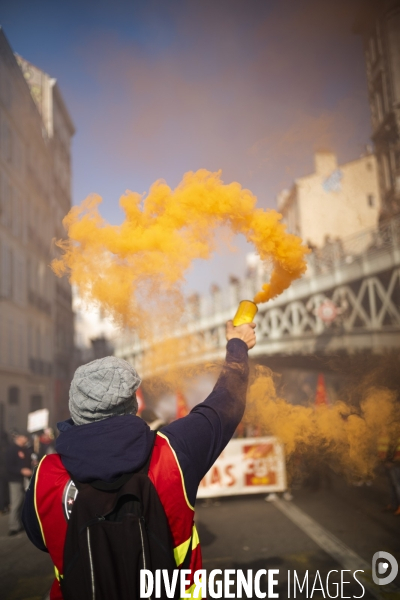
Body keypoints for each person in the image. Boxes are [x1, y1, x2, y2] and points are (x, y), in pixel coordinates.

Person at [22, 319, 256, 599]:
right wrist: (237, 345)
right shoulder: (173, 453)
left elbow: (39, 539)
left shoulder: (45, 476)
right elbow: (226, 402)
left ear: (75, 407)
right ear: (133, 403)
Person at [6, 430, 32, 535]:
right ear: (19, 438)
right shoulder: (11, 450)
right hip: (15, 480)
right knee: (16, 502)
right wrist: (21, 470)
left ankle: (21, 523)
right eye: (24, 437)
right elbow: (8, 466)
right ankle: (13, 526)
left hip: (25, 480)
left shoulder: (25, 449)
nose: (26, 439)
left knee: (23, 502)